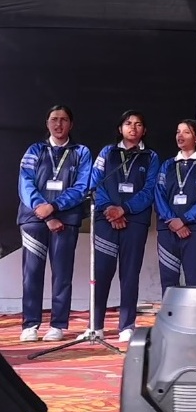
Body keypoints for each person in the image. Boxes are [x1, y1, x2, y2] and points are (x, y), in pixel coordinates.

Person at [17, 105, 92, 342]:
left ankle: (57, 325)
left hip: (65, 220)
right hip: (34, 219)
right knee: (31, 273)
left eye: (64, 119)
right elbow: (25, 183)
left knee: (62, 274)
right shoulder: (35, 150)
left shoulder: (81, 152)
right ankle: (30, 324)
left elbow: (82, 187)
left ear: (71, 124)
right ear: (47, 123)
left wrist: (55, 207)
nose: (58, 124)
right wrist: (45, 212)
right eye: (54, 119)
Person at [90, 110, 160, 342]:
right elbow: (95, 183)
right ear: (120, 128)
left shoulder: (151, 157)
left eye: (138, 124)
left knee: (130, 274)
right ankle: (95, 325)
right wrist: (110, 209)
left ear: (144, 130)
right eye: (128, 123)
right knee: (101, 272)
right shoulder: (107, 152)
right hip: (106, 219)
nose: (133, 127)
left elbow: (150, 190)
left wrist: (125, 209)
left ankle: (126, 325)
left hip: (135, 220)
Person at [154, 120, 196, 295]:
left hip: (195, 231)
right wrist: (171, 220)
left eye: (186, 132)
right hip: (168, 230)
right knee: (168, 281)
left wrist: (184, 220)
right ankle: (169, 313)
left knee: (194, 281)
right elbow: (158, 194)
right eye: (178, 132)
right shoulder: (167, 165)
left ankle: (195, 314)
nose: (180, 136)